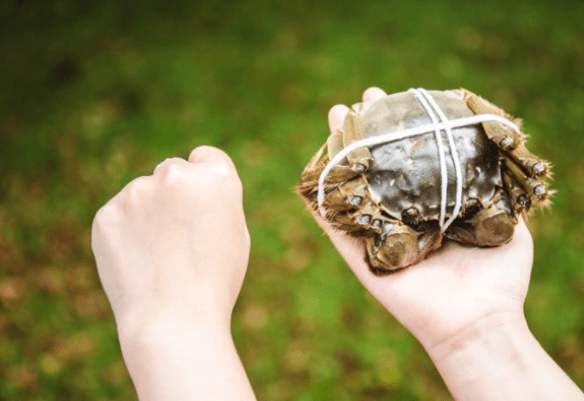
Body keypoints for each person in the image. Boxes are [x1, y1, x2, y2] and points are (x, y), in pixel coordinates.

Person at [91, 87, 584, 401]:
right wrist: (484, 334)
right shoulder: (359, 172)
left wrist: (172, 327)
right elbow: (330, 185)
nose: (440, 228)